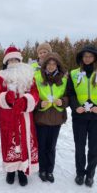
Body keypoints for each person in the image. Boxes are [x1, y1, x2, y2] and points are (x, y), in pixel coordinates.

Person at [0, 46, 39, 186]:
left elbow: (35, 94)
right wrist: (7, 97)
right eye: (10, 60)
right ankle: (11, 170)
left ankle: (22, 170)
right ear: (6, 62)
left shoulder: (29, 75)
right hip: (8, 116)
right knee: (10, 143)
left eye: (15, 59)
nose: (13, 62)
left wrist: (26, 101)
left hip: (25, 116)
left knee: (24, 142)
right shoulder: (1, 76)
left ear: (20, 60)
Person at [34, 52, 68, 183]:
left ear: (58, 65)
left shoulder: (64, 79)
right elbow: (32, 96)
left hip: (56, 117)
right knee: (41, 145)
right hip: (41, 117)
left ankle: (50, 170)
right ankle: (42, 169)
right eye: (49, 63)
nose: (51, 66)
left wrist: (63, 102)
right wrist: (39, 104)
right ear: (45, 65)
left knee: (51, 146)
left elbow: (68, 96)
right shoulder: (37, 77)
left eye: (54, 64)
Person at [68, 45, 97, 187]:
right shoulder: (73, 73)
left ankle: (90, 174)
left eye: (90, 56)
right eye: (85, 56)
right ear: (81, 57)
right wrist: (75, 107)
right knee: (79, 146)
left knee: (94, 148)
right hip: (79, 116)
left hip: (95, 117)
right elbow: (70, 93)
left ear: (94, 58)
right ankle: (80, 173)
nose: (88, 59)